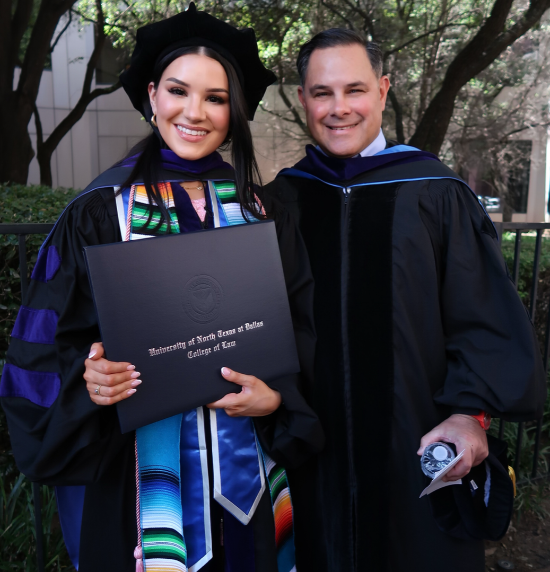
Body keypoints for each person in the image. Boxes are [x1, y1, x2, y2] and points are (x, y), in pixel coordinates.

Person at [0, 6, 323, 572]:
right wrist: (88, 378)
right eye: (178, 90)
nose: (194, 113)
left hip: (251, 470)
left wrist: (278, 401)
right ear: (152, 95)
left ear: (235, 111)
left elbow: (302, 328)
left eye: (216, 98)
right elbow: (43, 349)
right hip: (137, 483)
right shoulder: (99, 212)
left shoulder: (265, 212)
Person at [264, 28, 547, 572]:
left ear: (384, 90)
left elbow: (482, 319)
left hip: (415, 449)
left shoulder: (433, 193)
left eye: (355, 90)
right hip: (309, 457)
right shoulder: (284, 200)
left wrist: (469, 415)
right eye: (322, 93)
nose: (339, 108)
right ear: (303, 99)